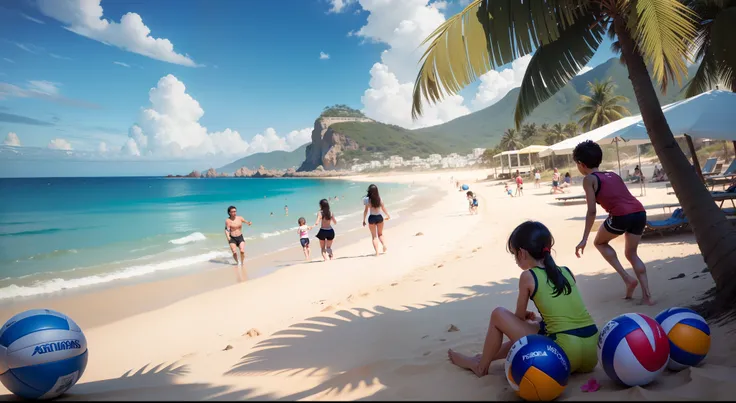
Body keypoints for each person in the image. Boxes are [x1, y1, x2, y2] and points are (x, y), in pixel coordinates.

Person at [448, 221, 599, 378]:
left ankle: (480, 366)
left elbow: (518, 320)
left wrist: (525, 321)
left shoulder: (528, 276)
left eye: (514, 254)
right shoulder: (566, 271)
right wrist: (538, 321)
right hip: (591, 352)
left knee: (498, 314)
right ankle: (483, 357)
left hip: (563, 355)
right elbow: (568, 315)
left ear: (522, 253)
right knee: (537, 327)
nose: (515, 258)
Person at [573, 140, 653, 305]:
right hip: (639, 212)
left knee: (600, 243)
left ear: (580, 164)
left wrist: (584, 238)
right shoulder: (613, 175)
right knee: (631, 254)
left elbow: (592, 211)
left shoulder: (589, 179)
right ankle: (647, 297)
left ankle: (627, 278)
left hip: (621, 216)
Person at [362, 184, 391, 256]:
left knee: (374, 236)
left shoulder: (367, 200)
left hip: (372, 218)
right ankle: (384, 244)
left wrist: (364, 220)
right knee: (380, 234)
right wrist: (387, 215)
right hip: (379, 217)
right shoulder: (379, 198)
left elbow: (365, 211)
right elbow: (383, 208)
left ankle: (377, 252)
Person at [225, 206, 252, 274]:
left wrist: (248, 223)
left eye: (235, 211)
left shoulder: (240, 218)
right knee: (234, 252)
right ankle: (238, 262)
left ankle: (242, 263)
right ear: (229, 213)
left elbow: (245, 221)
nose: (234, 213)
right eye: (232, 212)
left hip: (240, 237)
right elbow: (227, 230)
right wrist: (228, 237)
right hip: (232, 238)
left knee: (242, 251)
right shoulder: (228, 221)